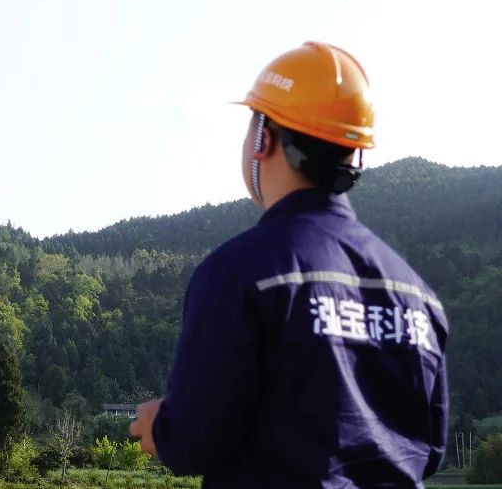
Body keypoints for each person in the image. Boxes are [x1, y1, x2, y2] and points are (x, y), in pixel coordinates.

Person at [128, 42, 449, 488]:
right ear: (355, 153)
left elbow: (193, 440)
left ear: (263, 138)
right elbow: (429, 451)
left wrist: (160, 427)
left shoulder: (239, 272)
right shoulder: (418, 295)